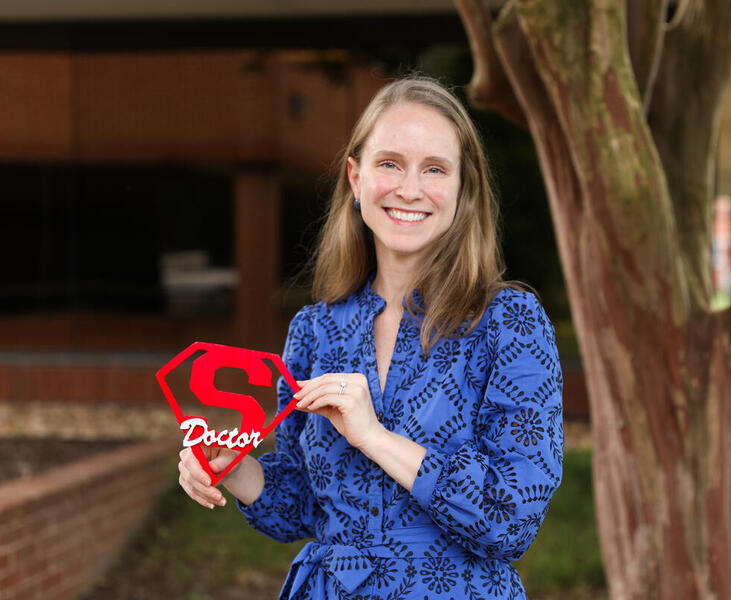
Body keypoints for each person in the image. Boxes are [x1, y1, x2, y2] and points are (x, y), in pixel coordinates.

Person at [178, 76, 563, 599]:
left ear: (463, 189)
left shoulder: (508, 323)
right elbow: (304, 508)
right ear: (356, 179)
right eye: (390, 164)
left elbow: (510, 520)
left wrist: (375, 437)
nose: (409, 189)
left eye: (434, 169)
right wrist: (236, 470)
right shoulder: (315, 331)